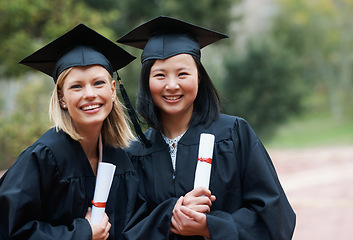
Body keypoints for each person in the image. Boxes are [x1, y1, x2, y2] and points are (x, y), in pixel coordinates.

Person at [117, 16, 296, 239]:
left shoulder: (234, 134)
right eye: (160, 75)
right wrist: (170, 214)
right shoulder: (135, 153)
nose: (172, 85)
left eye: (183, 73)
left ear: (199, 77)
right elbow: (125, 228)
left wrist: (211, 227)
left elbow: (275, 216)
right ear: (147, 82)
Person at [0, 24, 139, 240]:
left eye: (98, 83)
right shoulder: (43, 157)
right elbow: (10, 230)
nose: (90, 94)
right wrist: (83, 234)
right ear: (62, 98)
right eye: (76, 86)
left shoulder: (120, 155)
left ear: (113, 90)